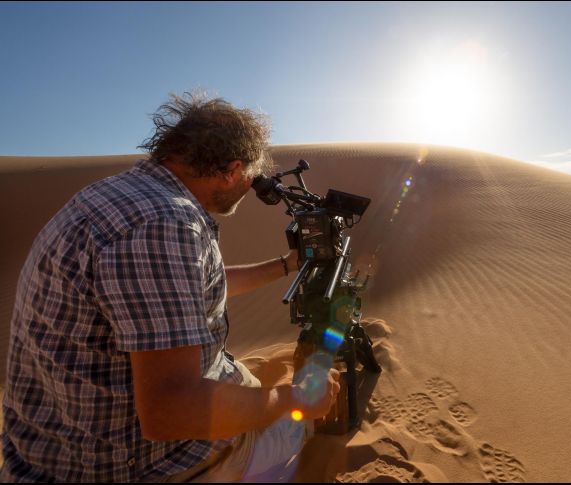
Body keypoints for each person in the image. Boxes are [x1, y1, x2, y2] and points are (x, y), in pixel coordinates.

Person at [1, 91, 340, 482]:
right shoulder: (163, 224)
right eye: (249, 176)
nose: (250, 187)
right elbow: (172, 411)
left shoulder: (116, 195)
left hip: (51, 448)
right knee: (300, 428)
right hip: (136, 464)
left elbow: (183, 288)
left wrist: (284, 266)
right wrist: (294, 399)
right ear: (231, 170)